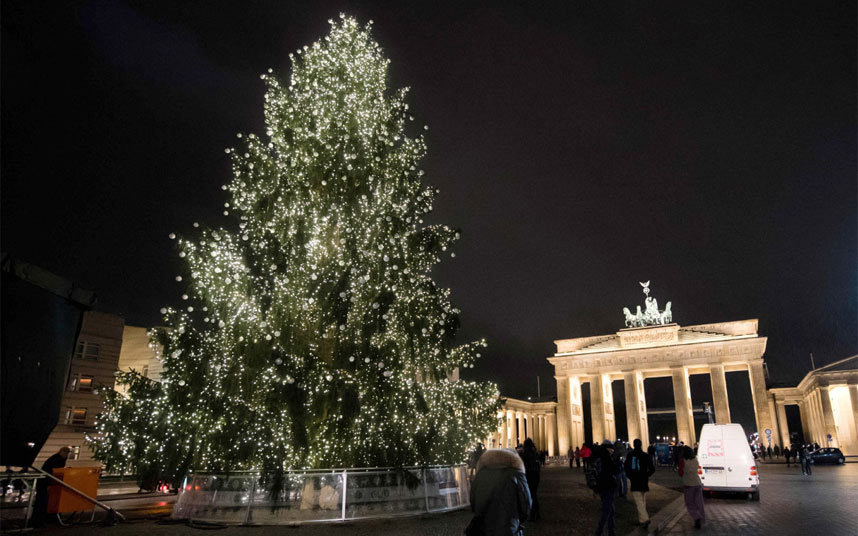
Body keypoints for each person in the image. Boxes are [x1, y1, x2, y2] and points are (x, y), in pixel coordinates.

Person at [468, 448, 531, 536]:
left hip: (484, 528)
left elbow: (473, 502)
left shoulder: (480, 475)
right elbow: (526, 504)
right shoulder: (517, 474)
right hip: (510, 527)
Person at [32, 446, 70, 527]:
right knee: (43, 501)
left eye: (67, 453)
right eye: (65, 453)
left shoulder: (56, 458)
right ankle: (40, 520)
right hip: (46, 482)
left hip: (46, 481)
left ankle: (41, 519)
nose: (66, 455)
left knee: (43, 501)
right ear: (61, 452)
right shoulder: (57, 459)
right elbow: (53, 471)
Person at [625, 439, 656, 529]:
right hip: (643, 481)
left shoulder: (630, 455)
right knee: (642, 501)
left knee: (639, 502)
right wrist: (647, 475)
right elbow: (652, 469)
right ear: (641, 444)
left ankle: (645, 519)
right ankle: (642, 521)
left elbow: (626, 467)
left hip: (635, 481)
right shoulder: (645, 455)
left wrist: (630, 476)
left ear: (634, 445)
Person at [593, 443, 619, 536]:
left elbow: (595, 474)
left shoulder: (598, 459)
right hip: (608, 486)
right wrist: (617, 462)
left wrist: (595, 488)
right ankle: (599, 530)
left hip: (601, 487)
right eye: (611, 449)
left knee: (611, 510)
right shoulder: (607, 459)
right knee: (607, 510)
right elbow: (615, 470)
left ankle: (611, 530)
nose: (612, 451)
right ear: (608, 449)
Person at [678, 446, 705, 529]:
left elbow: (680, 473)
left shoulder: (683, 461)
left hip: (688, 485)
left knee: (689, 503)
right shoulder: (695, 459)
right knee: (699, 503)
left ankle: (697, 518)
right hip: (698, 483)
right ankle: (701, 517)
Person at [520, 438, 541, 522]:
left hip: (529, 475)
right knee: (534, 494)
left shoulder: (526, 453)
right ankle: (537, 513)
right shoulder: (535, 452)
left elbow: (521, 461)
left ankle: (532, 514)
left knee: (530, 495)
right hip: (536, 475)